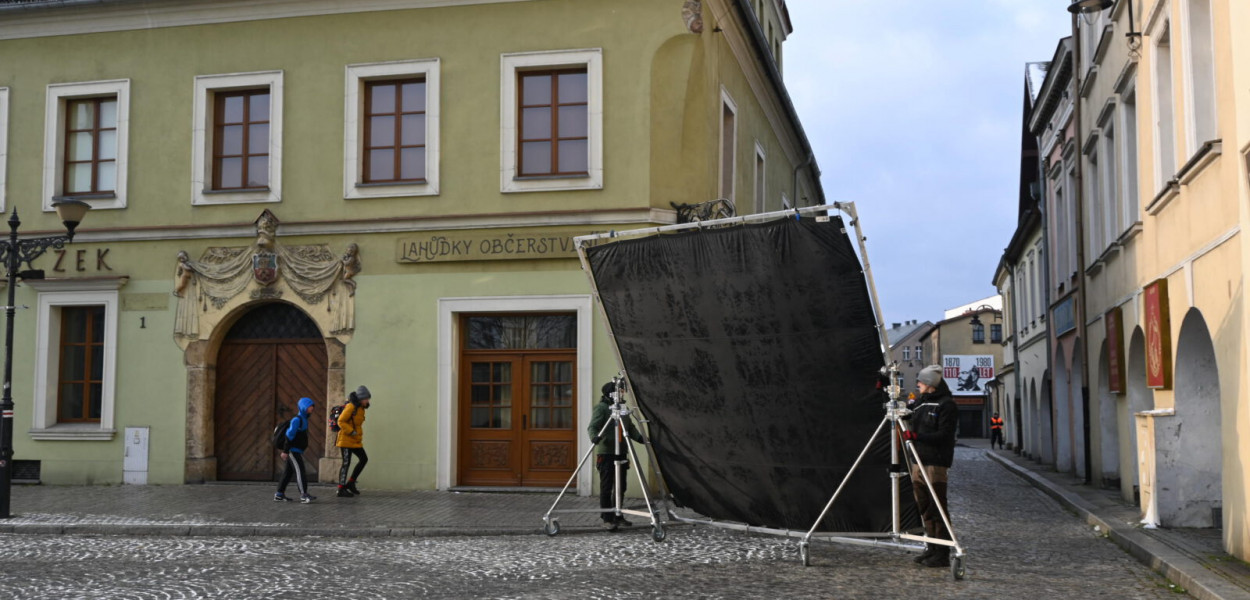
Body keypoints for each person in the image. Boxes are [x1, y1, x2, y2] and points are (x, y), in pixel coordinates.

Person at [901, 365, 958, 568]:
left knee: (937, 506)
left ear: (931, 384)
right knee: (924, 506)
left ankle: (942, 552)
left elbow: (944, 435)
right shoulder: (921, 403)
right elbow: (905, 415)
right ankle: (931, 547)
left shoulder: (946, 405)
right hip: (918, 460)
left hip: (935, 462)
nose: (918, 384)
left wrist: (917, 437)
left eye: (921, 381)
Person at [588, 380, 644, 531]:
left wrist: (640, 438)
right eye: (619, 391)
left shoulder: (623, 408)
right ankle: (607, 518)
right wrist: (594, 436)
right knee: (607, 487)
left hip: (622, 452)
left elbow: (629, 427)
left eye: (622, 391)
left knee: (621, 487)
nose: (622, 394)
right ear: (610, 393)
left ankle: (618, 515)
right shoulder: (602, 408)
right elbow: (593, 426)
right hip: (607, 453)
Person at [275, 397, 317, 504]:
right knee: (300, 471)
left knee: (288, 473)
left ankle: (279, 494)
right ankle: (303, 494)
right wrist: (285, 451)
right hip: (293, 451)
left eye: (312, 406)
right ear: (304, 407)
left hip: (296, 450)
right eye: (310, 406)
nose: (312, 408)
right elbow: (289, 435)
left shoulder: (304, 420)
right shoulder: (297, 420)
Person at [336, 385, 371, 497]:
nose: (368, 401)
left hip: (355, 440)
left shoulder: (361, 409)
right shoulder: (351, 407)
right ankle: (341, 489)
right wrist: (351, 431)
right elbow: (341, 421)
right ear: (361, 399)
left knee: (363, 459)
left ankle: (351, 482)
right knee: (346, 463)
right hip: (346, 439)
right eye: (366, 399)